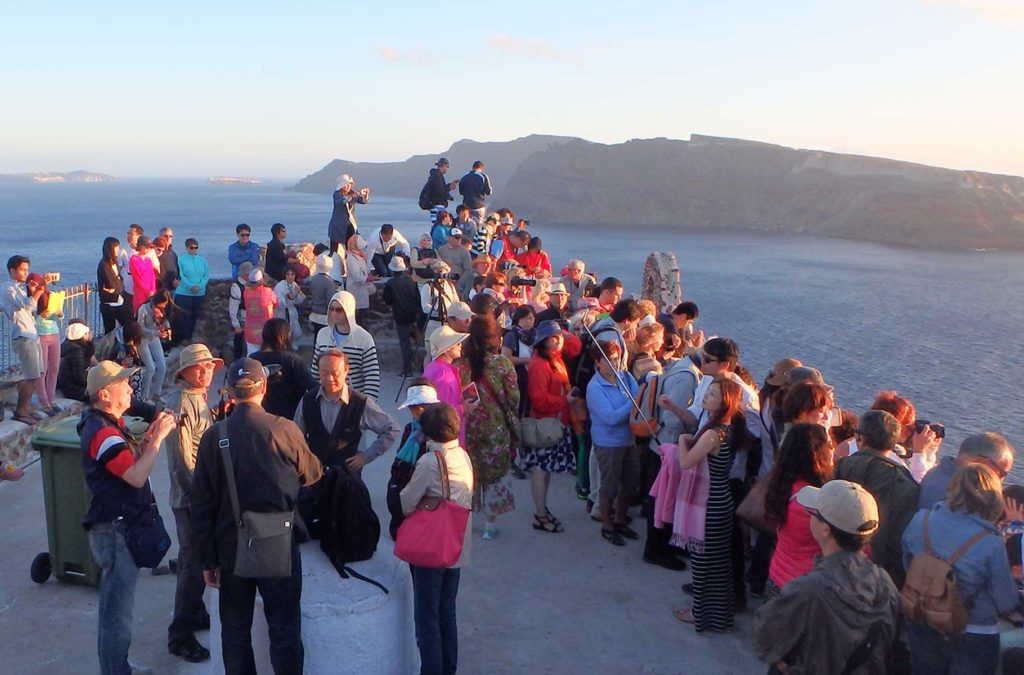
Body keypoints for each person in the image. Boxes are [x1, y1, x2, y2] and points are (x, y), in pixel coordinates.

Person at [190, 358, 323, 675]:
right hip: (278, 542)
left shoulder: (214, 437)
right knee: (285, 630)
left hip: (230, 548)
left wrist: (207, 561)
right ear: (263, 388)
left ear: (231, 393)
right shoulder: (285, 429)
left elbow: (202, 505)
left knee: (235, 632)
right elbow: (313, 473)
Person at [79, 361, 177, 675]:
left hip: (116, 526)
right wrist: (158, 439)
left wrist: (147, 441)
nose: (130, 387)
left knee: (116, 611)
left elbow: (128, 465)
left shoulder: (106, 424)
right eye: (123, 383)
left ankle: (118, 667)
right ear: (105, 394)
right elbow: (135, 476)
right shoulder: (102, 431)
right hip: (115, 531)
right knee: (116, 615)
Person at [754, 480, 900, 674]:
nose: (809, 516)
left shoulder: (807, 589)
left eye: (814, 513)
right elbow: (893, 648)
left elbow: (766, 635)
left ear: (825, 530)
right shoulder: (885, 584)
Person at [902, 464, 1017, 675]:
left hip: (922, 620)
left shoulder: (922, 520)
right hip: (972, 635)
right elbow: (1006, 602)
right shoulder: (990, 543)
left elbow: (908, 563)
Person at [400, 403, 474, 675]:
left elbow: (407, 501)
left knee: (427, 618)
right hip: (457, 546)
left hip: (433, 547)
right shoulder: (463, 456)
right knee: (446, 614)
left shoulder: (431, 461)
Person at [671, 376, 746, 633]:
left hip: (708, 504)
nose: (706, 396)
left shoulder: (713, 434)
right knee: (718, 563)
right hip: (721, 499)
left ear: (724, 403)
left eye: (713, 394)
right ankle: (718, 614)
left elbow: (686, 461)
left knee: (703, 562)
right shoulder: (729, 430)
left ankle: (700, 613)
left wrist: (682, 440)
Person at [164, 344, 222, 664]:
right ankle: (180, 635)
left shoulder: (197, 397)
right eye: (199, 367)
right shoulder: (181, 402)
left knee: (196, 561)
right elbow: (181, 462)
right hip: (190, 499)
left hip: (196, 495)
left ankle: (196, 613)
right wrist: (200, 500)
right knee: (191, 565)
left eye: (210, 365)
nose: (206, 371)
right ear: (183, 372)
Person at [834, 409, 919, 586]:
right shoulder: (905, 484)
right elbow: (900, 540)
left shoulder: (839, 467)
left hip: (834, 562)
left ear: (859, 438)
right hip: (876, 574)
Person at [293, 349, 400, 477]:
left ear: (346, 370)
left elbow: (392, 428)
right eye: (324, 373)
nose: (329, 378)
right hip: (315, 477)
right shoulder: (308, 400)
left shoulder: (360, 402)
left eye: (335, 373)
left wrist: (366, 456)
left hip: (347, 479)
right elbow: (296, 436)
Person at [463, 314, 520, 540]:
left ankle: (465, 521)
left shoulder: (461, 364)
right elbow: (514, 397)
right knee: (494, 476)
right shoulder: (502, 364)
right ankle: (488, 524)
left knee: (468, 475)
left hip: (468, 426)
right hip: (495, 428)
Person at [524, 320, 581, 533]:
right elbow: (538, 399)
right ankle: (539, 513)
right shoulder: (540, 363)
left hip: (555, 421)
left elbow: (576, 347)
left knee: (545, 471)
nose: (558, 341)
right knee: (541, 471)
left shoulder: (553, 357)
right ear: (542, 341)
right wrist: (565, 401)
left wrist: (565, 334)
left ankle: (542, 510)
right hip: (545, 424)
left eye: (558, 337)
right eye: (553, 337)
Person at [763, 423, 833, 596]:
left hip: (778, 572)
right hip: (805, 583)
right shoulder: (814, 501)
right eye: (829, 446)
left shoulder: (783, 487)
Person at [586, 338, 641, 546]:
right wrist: (632, 403)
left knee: (630, 482)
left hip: (628, 439)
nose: (614, 364)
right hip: (608, 443)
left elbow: (637, 396)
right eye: (609, 360)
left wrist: (633, 402)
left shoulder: (624, 377)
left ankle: (619, 519)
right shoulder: (595, 388)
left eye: (617, 359)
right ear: (598, 362)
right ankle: (607, 525)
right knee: (609, 486)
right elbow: (610, 418)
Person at [310, 289, 381, 399]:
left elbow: (372, 376)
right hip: (326, 398)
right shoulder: (322, 335)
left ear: (348, 311)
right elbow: (315, 371)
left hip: (354, 400)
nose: (334, 313)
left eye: (339, 310)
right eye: (331, 309)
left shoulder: (364, 338)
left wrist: (367, 405)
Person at [918, 431, 1015, 509]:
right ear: (982, 463)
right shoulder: (957, 494)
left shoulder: (937, 473)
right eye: (1002, 473)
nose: (1001, 481)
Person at [252, 319, 317, 419]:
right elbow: (313, 387)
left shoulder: (253, 360)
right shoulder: (293, 361)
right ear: (286, 336)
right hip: (290, 418)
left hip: (260, 417)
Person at [423, 327, 469, 439]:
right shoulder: (444, 373)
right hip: (446, 433)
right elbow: (441, 409)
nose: (460, 346)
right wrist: (464, 408)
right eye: (457, 344)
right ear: (448, 349)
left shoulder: (434, 367)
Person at [28, 272, 63, 415]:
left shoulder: (49, 295)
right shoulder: (31, 299)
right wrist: (39, 315)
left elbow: (59, 315)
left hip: (54, 333)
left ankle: (52, 399)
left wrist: (59, 313)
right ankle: (43, 402)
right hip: (40, 335)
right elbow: (29, 318)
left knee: (54, 368)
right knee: (42, 370)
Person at [383, 256, 423, 378]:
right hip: (414, 314)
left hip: (400, 316)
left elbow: (388, 300)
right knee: (419, 342)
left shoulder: (391, 283)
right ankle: (421, 368)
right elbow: (418, 298)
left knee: (405, 344)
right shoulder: (411, 281)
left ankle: (408, 370)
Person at [136, 290, 172, 404]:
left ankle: (157, 393)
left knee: (162, 365)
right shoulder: (144, 309)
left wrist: (168, 329)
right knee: (150, 367)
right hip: (143, 339)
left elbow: (165, 321)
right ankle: (145, 396)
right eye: (163, 303)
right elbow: (140, 328)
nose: (164, 306)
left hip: (155, 338)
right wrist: (156, 333)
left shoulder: (162, 309)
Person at [327, 174, 370, 262]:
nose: (348, 186)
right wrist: (356, 194)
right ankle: (331, 266)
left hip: (350, 225)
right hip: (338, 224)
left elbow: (362, 201)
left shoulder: (351, 193)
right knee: (333, 249)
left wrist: (366, 194)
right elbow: (344, 200)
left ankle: (350, 265)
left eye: (350, 184)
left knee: (351, 247)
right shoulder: (337, 194)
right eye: (346, 184)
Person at [175, 237, 209, 342]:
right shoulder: (180, 260)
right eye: (191, 247)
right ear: (186, 248)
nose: (194, 250)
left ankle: (191, 337)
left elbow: (206, 274)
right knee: (184, 317)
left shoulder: (202, 260)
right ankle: (184, 338)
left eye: (196, 247)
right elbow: (181, 275)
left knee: (195, 316)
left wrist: (200, 286)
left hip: (199, 293)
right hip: (184, 293)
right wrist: (190, 286)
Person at [98, 237, 131, 334]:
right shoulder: (104, 264)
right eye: (116, 247)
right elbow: (111, 284)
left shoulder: (115, 262)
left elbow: (120, 281)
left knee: (127, 326)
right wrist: (118, 281)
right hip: (109, 303)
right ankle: (109, 349)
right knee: (109, 332)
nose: (118, 250)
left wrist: (117, 282)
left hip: (119, 300)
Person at [57, 322, 95, 402]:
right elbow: (80, 377)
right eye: (87, 333)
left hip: (70, 384)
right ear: (81, 336)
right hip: (73, 388)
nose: (90, 334)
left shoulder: (70, 346)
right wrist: (95, 381)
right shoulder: (76, 351)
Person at [243, 269, 278, 356]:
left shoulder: (246, 292)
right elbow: (276, 304)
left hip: (250, 329)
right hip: (266, 329)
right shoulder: (268, 291)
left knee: (251, 354)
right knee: (267, 354)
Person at [345, 233, 375, 324]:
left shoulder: (359, 256)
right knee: (356, 312)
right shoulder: (351, 258)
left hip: (361, 288)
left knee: (361, 312)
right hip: (355, 288)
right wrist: (368, 279)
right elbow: (356, 275)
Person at [305, 253, 337, 336]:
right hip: (324, 315)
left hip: (315, 313)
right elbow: (330, 300)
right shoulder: (329, 282)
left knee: (317, 337)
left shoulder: (313, 279)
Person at [437, 228, 473, 296]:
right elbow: (438, 266)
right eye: (456, 238)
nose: (459, 240)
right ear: (450, 238)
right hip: (444, 281)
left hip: (458, 283)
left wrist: (460, 283)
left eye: (460, 238)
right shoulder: (441, 250)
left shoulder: (465, 252)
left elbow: (468, 270)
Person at [422, 158, 459, 223]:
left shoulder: (436, 175)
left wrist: (449, 187)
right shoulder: (437, 176)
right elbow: (440, 191)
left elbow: (440, 189)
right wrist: (449, 187)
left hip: (435, 205)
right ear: (443, 165)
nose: (448, 168)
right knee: (438, 224)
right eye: (447, 166)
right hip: (437, 205)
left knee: (436, 224)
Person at [228, 262, 252, 361]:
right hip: (242, 318)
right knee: (239, 344)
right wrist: (236, 324)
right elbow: (233, 307)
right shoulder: (236, 287)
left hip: (253, 318)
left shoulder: (252, 284)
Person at [273, 267, 306, 339]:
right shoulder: (279, 286)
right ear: (285, 275)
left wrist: (298, 294)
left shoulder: (295, 285)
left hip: (291, 311)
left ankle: (292, 343)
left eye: (292, 274)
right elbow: (276, 302)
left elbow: (298, 301)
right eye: (288, 274)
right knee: (281, 332)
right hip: (281, 312)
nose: (290, 277)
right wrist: (288, 297)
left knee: (294, 329)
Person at [117, 224, 143, 312]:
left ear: (139, 236)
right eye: (128, 233)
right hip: (128, 290)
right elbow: (118, 271)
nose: (128, 236)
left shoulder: (146, 251)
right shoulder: (123, 251)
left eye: (131, 234)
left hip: (142, 290)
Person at [129, 236, 157, 315]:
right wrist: (146, 291)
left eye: (150, 247)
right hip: (140, 292)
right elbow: (137, 277)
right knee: (140, 313)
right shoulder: (134, 259)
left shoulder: (148, 260)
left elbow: (152, 276)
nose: (149, 249)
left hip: (151, 292)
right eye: (147, 247)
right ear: (141, 246)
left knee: (151, 313)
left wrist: (153, 290)